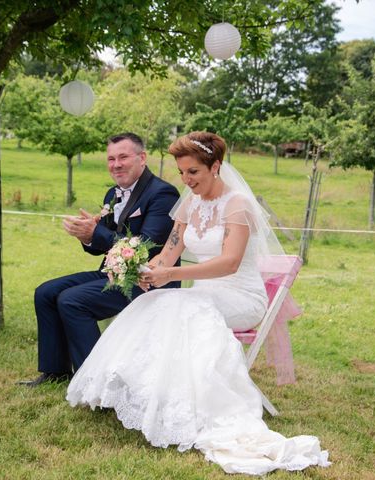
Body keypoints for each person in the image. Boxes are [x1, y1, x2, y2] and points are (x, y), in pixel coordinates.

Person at [66, 132, 330, 475]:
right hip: (204, 295)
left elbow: (230, 263)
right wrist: (144, 269)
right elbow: (170, 251)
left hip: (241, 296)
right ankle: (146, 397)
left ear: (215, 167)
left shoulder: (238, 206)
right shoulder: (190, 204)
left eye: (194, 173)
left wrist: (171, 273)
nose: (187, 181)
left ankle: (194, 407)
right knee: (150, 304)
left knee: (181, 306)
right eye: (182, 172)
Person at [19, 133, 180, 387]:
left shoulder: (163, 194)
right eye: (111, 158)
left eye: (123, 157)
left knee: (72, 300)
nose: (116, 164)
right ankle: (56, 371)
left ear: (142, 158)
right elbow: (102, 245)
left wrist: (98, 233)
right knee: (46, 292)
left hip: (148, 280)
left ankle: (95, 382)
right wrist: (87, 236)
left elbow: (145, 248)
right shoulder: (112, 195)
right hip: (114, 274)